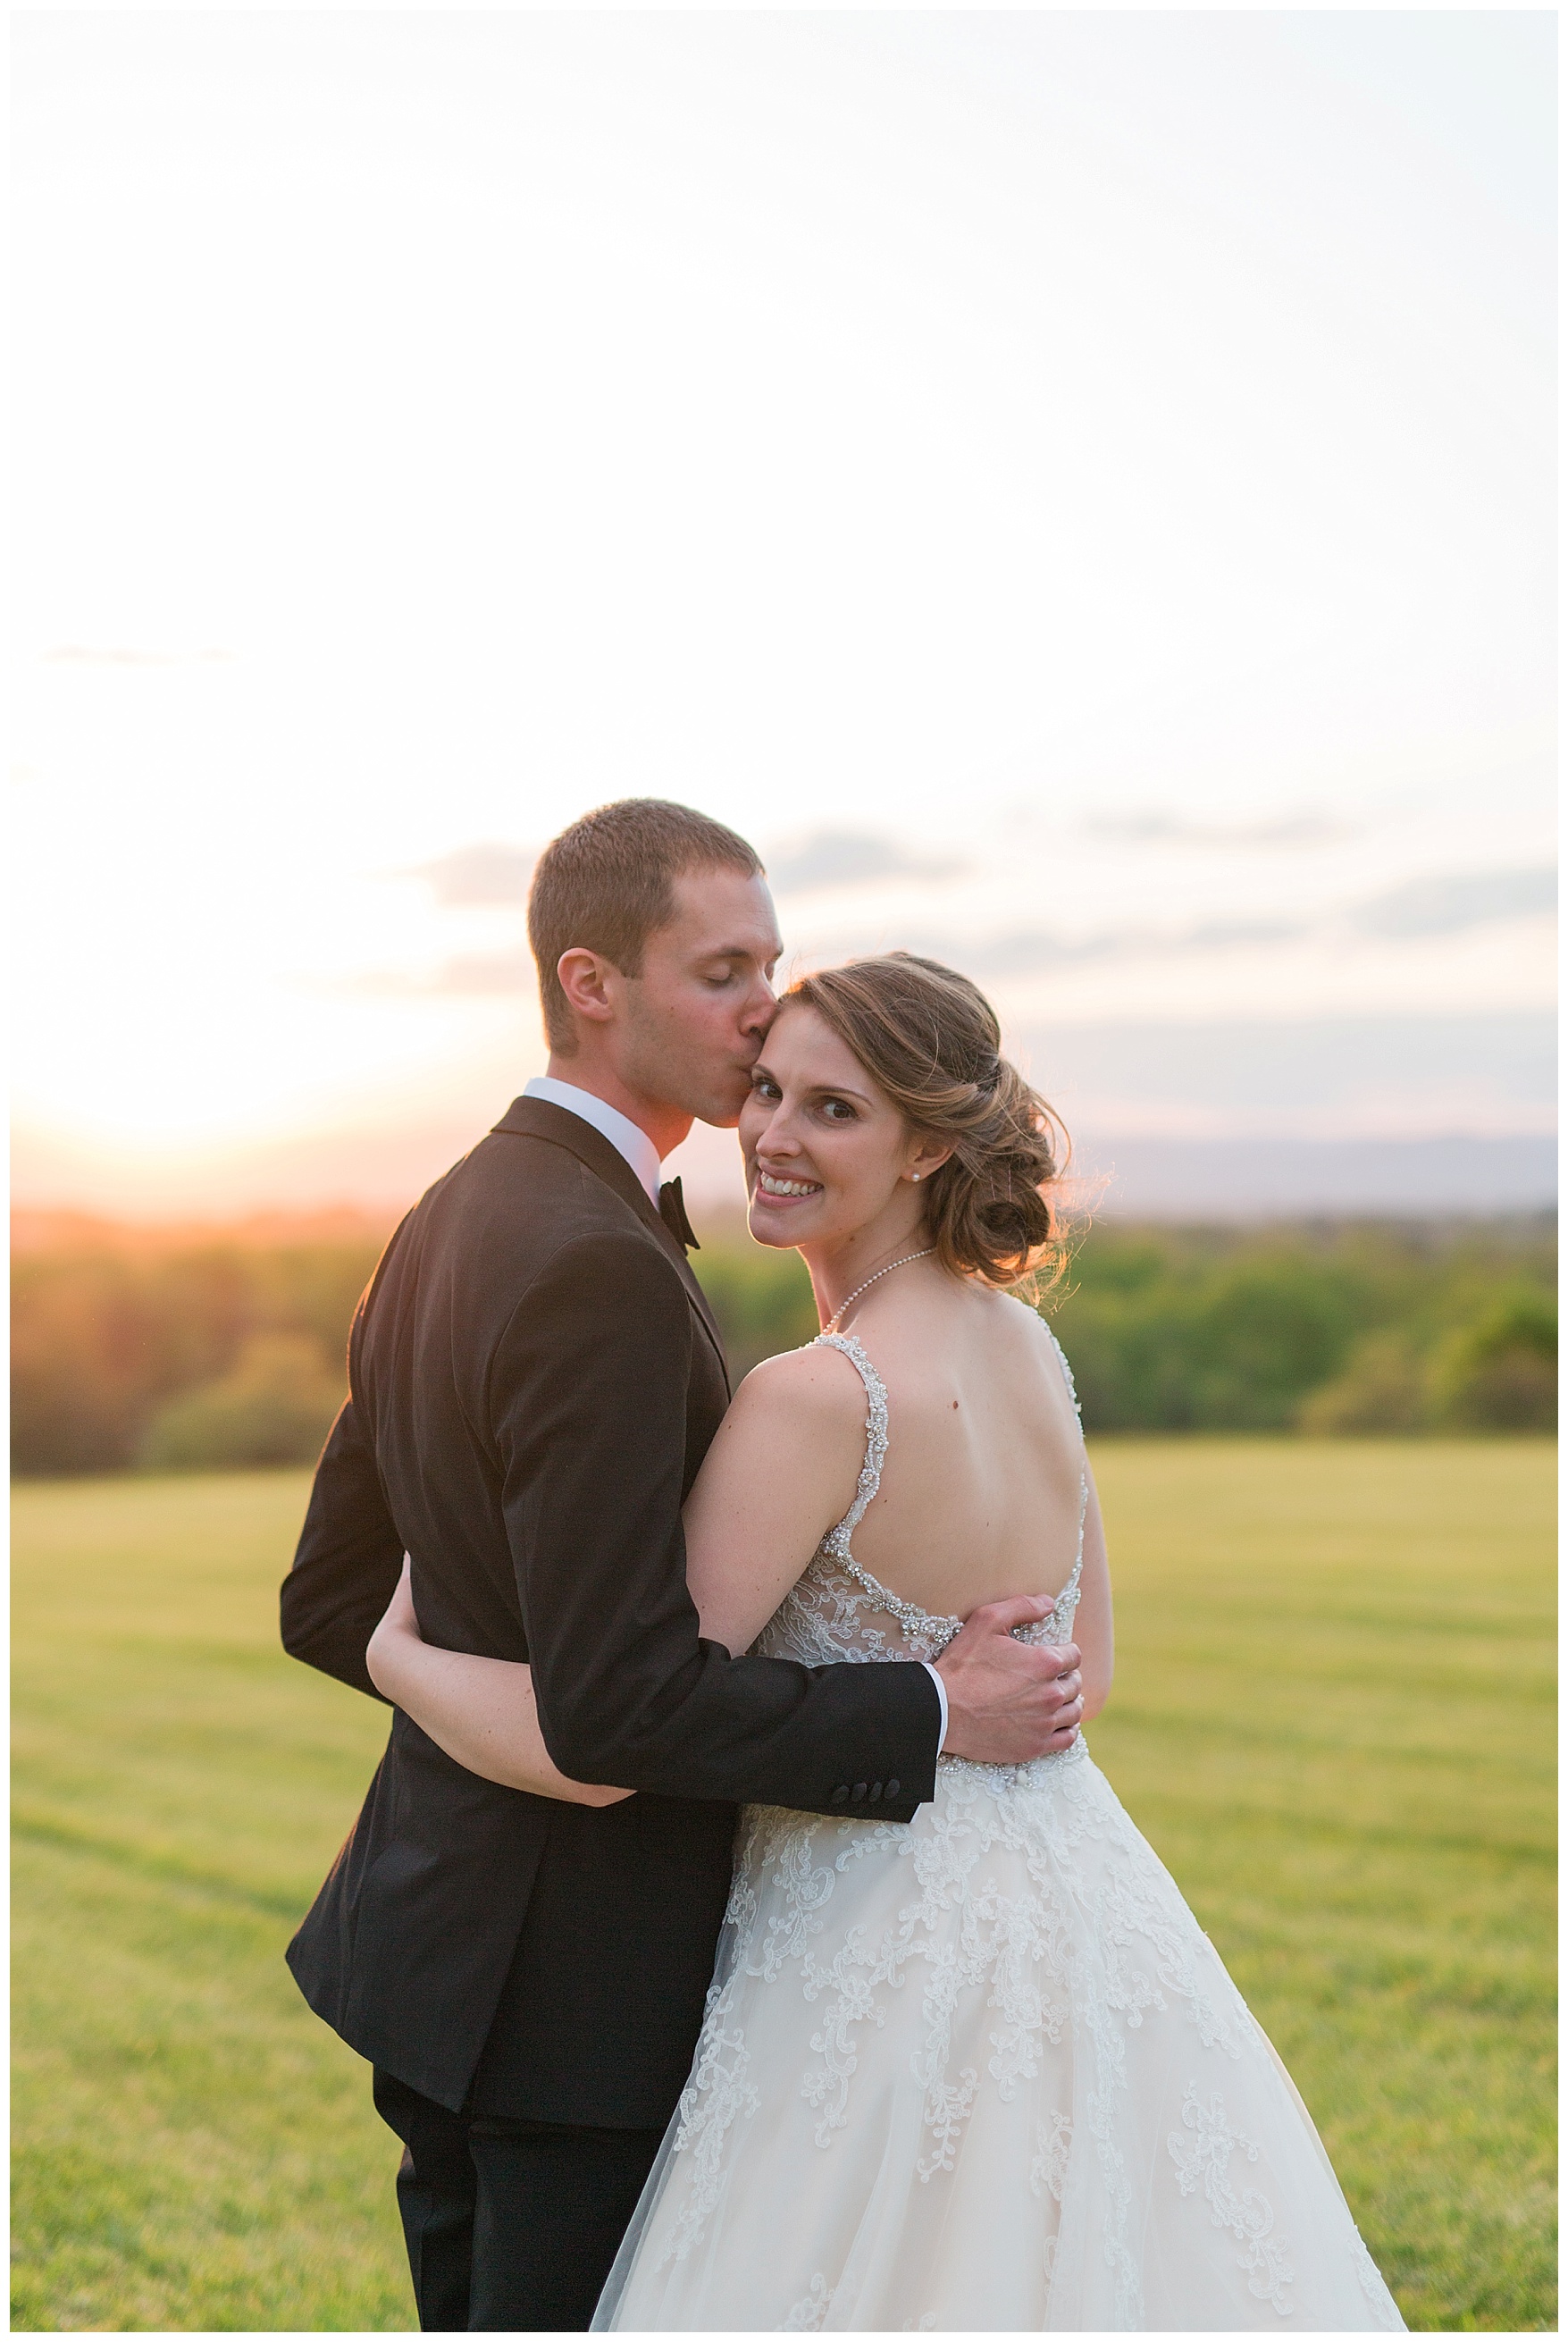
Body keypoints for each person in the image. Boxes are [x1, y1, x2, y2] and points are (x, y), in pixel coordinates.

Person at [369, 949, 1408, 2332]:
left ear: (927, 1143)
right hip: (1075, 1906)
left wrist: (404, 1659)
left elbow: (631, 1724)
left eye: (833, 1110)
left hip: (866, 1939)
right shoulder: (1032, 1351)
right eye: (768, 1092)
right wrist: (949, 1702)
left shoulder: (817, 1399)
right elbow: (1078, 1674)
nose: (774, 1137)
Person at [279, 801, 1085, 2333]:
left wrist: (399, 1654)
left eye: (771, 965)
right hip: (569, 1998)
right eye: (725, 972)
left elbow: (329, 1598)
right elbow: (621, 1703)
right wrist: (930, 1710)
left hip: (442, 1963)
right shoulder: (590, 1259)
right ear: (595, 984)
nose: (762, 1007)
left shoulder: (446, 1211)